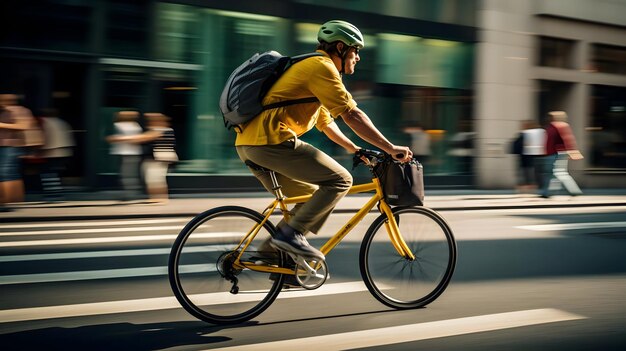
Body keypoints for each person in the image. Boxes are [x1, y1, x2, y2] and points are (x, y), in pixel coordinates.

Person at [234, 20, 412, 261]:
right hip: (271, 141)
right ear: (340, 47)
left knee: (309, 199)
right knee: (340, 180)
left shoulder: (312, 69)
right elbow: (352, 115)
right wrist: (390, 148)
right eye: (355, 51)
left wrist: (355, 148)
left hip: (249, 146)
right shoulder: (321, 67)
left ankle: (276, 257)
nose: (358, 57)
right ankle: (289, 236)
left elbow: (326, 123)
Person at [0, 94, 38, 211]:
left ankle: (7, 201)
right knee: (10, 173)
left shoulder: (21, 111)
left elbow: (24, 126)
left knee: (5, 173)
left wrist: (1, 125)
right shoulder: (3, 111)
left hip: (10, 145)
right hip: (5, 145)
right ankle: (13, 201)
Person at [540, 111, 583, 198]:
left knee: (559, 173)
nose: (548, 119)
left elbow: (567, 139)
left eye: (550, 117)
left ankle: (574, 190)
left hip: (557, 153)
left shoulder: (560, 126)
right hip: (553, 153)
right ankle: (548, 192)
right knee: (553, 173)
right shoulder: (553, 126)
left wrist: (572, 151)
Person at [136, 113, 178, 204]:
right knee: (152, 178)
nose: (150, 122)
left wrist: (125, 138)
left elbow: (146, 137)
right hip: (155, 158)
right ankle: (155, 198)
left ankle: (161, 198)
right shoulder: (159, 130)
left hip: (161, 158)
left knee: (156, 178)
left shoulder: (163, 130)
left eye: (153, 120)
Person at [38, 108, 75, 201]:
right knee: (56, 173)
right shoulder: (62, 122)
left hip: (51, 151)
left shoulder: (45, 122)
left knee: (48, 173)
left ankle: (53, 195)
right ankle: (57, 193)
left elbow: (46, 137)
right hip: (64, 151)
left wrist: (40, 149)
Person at [106, 110, 144, 201]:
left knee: (127, 174)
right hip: (132, 152)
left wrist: (116, 139)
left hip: (125, 152)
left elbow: (131, 138)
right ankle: (131, 193)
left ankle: (130, 194)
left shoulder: (120, 125)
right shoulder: (135, 125)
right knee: (129, 174)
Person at [512, 120, 545, 194]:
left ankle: (527, 190)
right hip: (537, 157)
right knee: (536, 173)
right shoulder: (540, 133)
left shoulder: (524, 134)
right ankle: (537, 188)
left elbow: (516, 146)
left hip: (526, 159)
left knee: (527, 175)